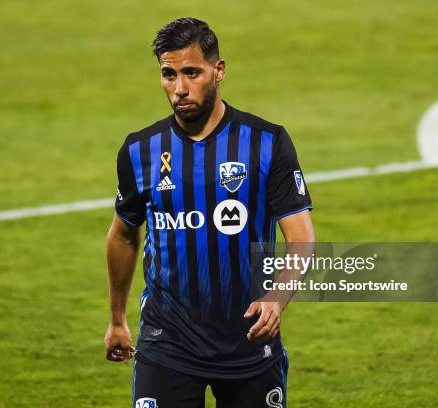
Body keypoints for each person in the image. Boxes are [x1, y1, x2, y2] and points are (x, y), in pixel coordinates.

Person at [105, 17, 315, 408]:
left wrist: (276, 297)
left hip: (249, 342)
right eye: (168, 74)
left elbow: (301, 238)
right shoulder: (139, 151)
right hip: (166, 344)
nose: (179, 88)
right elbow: (122, 234)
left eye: (191, 73)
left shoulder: (267, 143)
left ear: (218, 71)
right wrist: (117, 319)